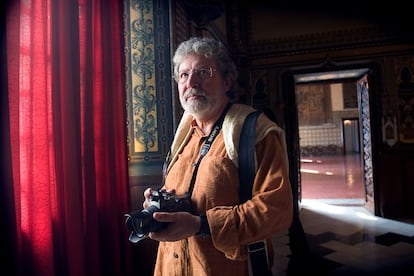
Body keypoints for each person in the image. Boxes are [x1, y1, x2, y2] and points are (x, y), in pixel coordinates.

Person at [142, 36, 293, 275]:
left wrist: (201, 225)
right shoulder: (182, 136)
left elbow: (276, 210)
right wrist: (159, 202)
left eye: (203, 72)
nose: (191, 82)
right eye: (183, 75)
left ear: (227, 81)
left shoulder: (256, 132)